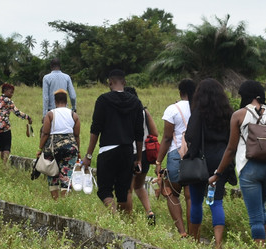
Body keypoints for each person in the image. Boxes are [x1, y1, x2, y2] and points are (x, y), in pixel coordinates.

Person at [209, 80, 266, 244]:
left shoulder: (239, 115)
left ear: (245, 96)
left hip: (250, 169)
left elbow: (230, 149)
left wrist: (218, 173)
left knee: (255, 216)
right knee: (261, 208)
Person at [182, 79, 235, 249]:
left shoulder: (199, 111)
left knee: (196, 201)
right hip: (221, 160)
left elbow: (191, 136)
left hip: (201, 161)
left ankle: (194, 241)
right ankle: (218, 246)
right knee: (216, 202)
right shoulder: (228, 113)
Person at [80, 70, 144, 212]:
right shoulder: (136, 102)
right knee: (123, 193)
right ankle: (124, 225)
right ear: (124, 82)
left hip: (108, 151)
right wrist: (138, 159)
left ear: (109, 83)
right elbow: (139, 134)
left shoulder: (103, 100)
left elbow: (95, 129)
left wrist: (88, 156)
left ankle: (114, 216)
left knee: (104, 191)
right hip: (127, 151)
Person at [160, 79, 195, 236]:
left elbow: (167, 138)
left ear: (180, 92)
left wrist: (158, 161)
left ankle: (182, 232)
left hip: (175, 155)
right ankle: (193, 234)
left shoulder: (172, 109)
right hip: (194, 156)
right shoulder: (199, 108)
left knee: (171, 192)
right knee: (190, 197)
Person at [38, 89, 80, 198]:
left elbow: (45, 133)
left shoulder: (50, 114)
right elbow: (76, 135)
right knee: (67, 176)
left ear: (55, 101)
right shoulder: (74, 115)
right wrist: (78, 151)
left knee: (52, 175)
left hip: (53, 148)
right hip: (71, 148)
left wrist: (39, 149)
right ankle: (65, 203)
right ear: (66, 102)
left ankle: (56, 202)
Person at [127, 86, 158, 226]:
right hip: (144, 154)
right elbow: (155, 132)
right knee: (139, 186)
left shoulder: (123, 112)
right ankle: (149, 211)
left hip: (129, 153)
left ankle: (128, 219)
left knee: (127, 188)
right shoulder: (144, 111)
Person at [0, 83, 32, 162]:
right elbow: (17, 112)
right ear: (5, 91)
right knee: (6, 147)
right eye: (11, 92)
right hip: (5, 127)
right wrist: (27, 117)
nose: (12, 94)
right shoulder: (8, 101)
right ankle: (4, 164)